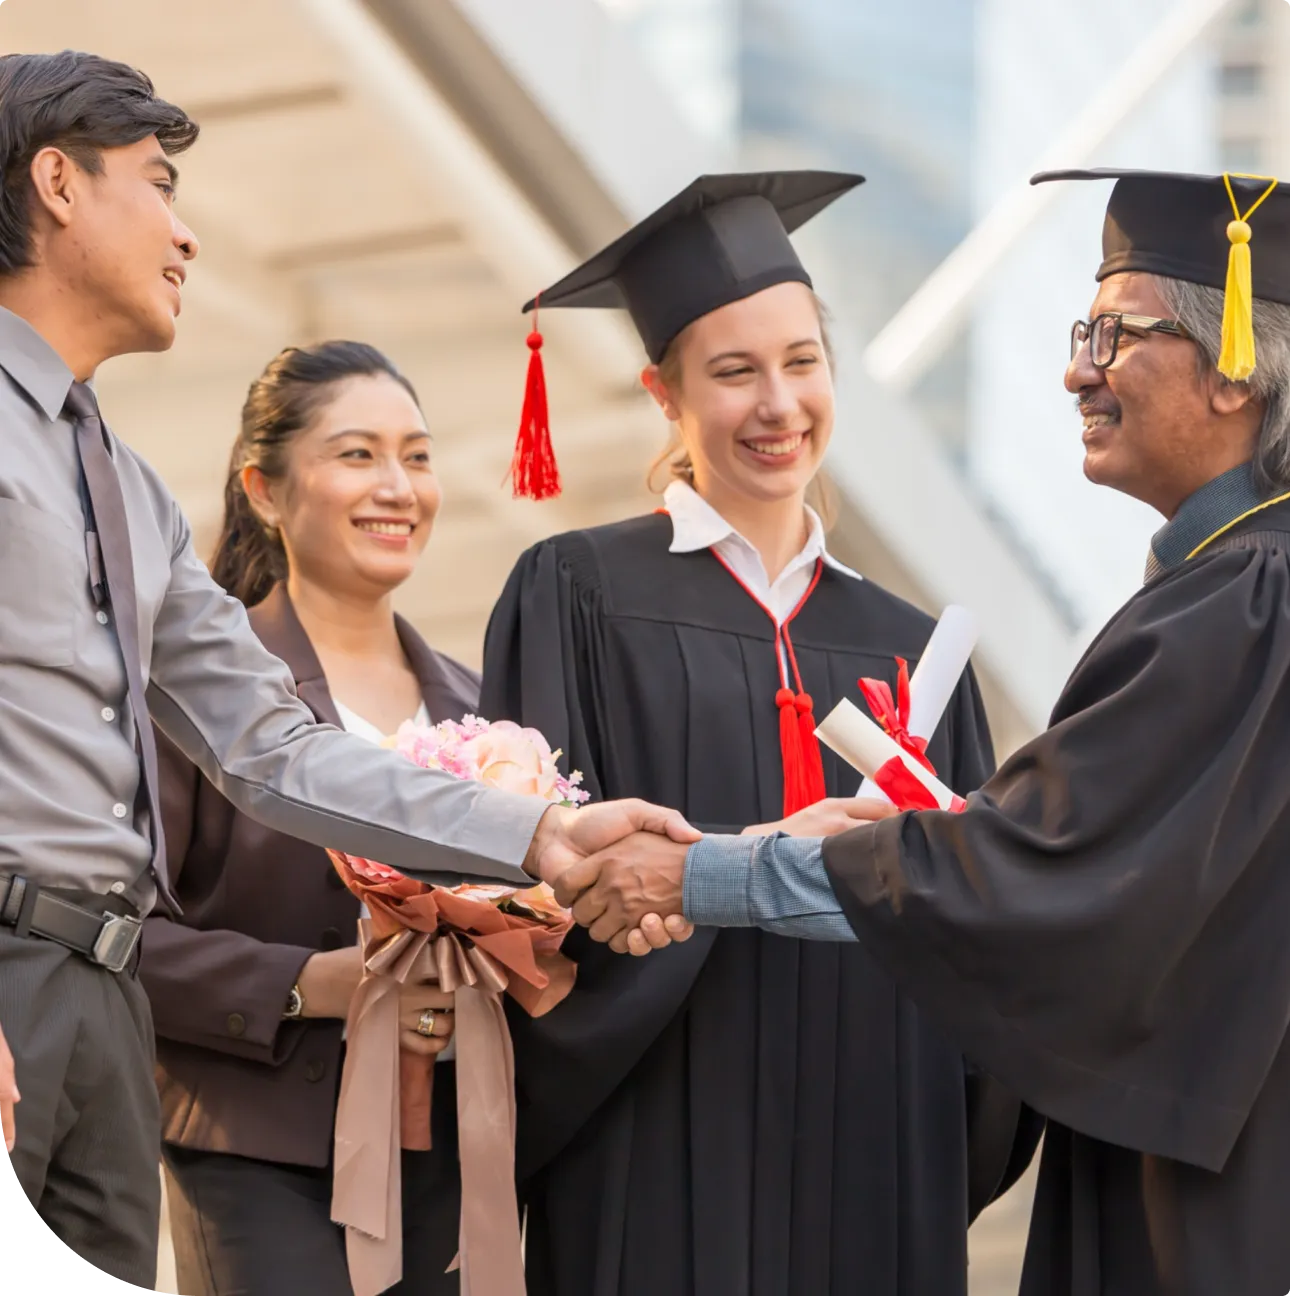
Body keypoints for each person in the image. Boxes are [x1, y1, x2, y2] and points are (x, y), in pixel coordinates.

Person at [0, 50, 690, 1290]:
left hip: (103, 1011)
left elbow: (274, 749)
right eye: (157, 185)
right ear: (56, 183)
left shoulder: (122, 482)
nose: (186, 233)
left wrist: (541, 838)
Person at [572, 168, 1290, 1295]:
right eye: (1080, 330)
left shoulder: (1245, 606)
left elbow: (1038, 872)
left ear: (1236, 364)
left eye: (1115, 332)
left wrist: (698, 873)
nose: (1077, 368)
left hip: (1228, 1198)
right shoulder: (1239, 591)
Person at [481, 172, 1038, 1296]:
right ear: (663, 394)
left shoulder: (910, 643)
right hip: (654, 1133)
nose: (779, 405)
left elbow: (982, 919)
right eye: (734, 373)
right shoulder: (577, 594)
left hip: (876, 1144)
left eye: (802, 362)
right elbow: (533, 895)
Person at [140, 341, 474, 1293]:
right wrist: (318, 983)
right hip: (258, 1154)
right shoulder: (199, 690)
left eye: (417, 455)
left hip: (450, 1155)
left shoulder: (482, 709)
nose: (398, 486)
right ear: (264, 488)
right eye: (357, 454)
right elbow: (121, 938)